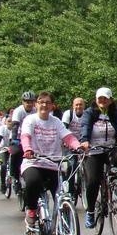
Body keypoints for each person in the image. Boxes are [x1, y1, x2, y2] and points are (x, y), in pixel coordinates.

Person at [20, 92, 81, 227]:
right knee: (33, 181)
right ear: (36, 104)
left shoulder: (56, 121)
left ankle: (66, 233)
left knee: (62, 196)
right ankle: (31, 211)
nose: (44, 105)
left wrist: (78, 146)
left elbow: (68, 137)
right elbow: (25, 136)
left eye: (48, 102)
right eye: (41, 102)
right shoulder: (30, 120)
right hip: (34, 162)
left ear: (52, 106)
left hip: (53, 164)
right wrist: (28, 149)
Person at [79, 87, 117, 229]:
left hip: (110, 148)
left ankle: (116, 189)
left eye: (105, 98)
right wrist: (84, 140)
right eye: (100, 98)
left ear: (110, 100)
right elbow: (85, 126)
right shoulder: (90, 113)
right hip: (93, 150)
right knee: (92, 181)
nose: (102, 101)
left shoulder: (114, 113)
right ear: (96, 99)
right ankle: (91, 211)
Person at [8, 91, 38, 194]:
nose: (29, 104)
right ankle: (15, 177)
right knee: (15, 153)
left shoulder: (35, 110)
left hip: (30, 137)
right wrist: (14, 139)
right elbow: (15, 126)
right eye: (26, 102)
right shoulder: (18, 111)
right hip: (17, 137)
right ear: (23, 102)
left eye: (31, 102)